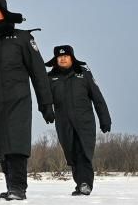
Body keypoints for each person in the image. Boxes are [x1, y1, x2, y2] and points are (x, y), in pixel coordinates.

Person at [0, 0, 53, 200]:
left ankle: (18, 188)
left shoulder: (22, 38)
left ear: (4, 12)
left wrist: (46, 103)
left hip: (17, 100)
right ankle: (11, 187)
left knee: (15, 143)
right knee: (0, 144)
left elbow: (38, 73)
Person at [45, 45, 111, 196]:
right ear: (56, 59)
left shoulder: (83, 74)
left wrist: (105, 119)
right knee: (72, 154)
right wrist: (47, 110)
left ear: (72, 58)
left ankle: (85, 184)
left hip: (84, 122)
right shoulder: (50, 78)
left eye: (66, 56)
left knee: (83, 152)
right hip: (63, 123)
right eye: (59, 57)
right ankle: (80, 184)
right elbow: (45, 98)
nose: (62, 59)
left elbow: (97, 98)